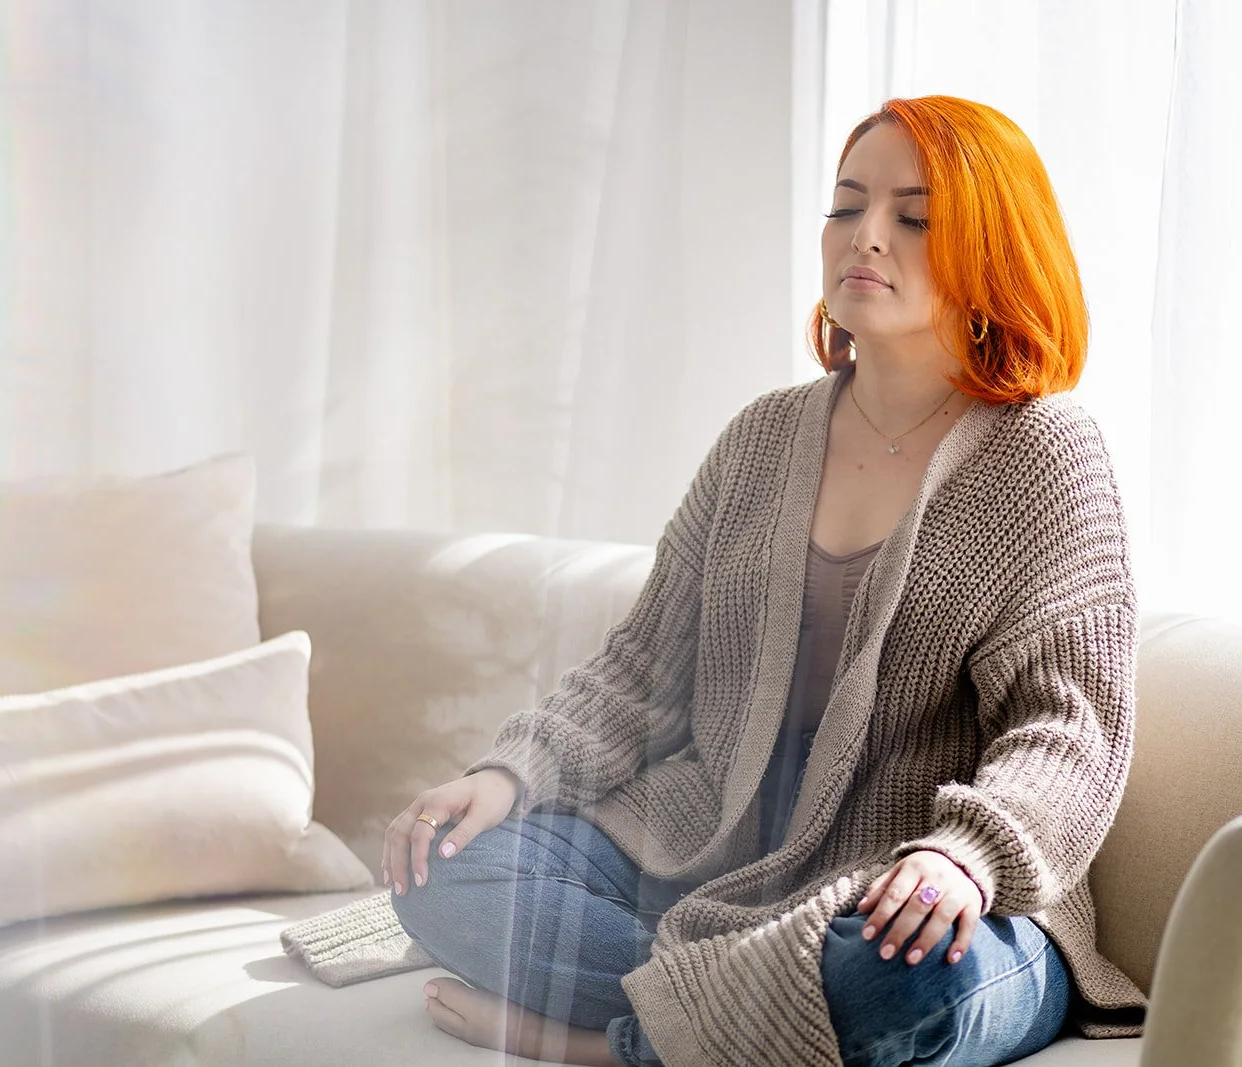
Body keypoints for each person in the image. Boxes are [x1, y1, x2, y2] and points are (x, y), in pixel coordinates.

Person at [333, 96, 1148, 1066]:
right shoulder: (761, 437)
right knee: (442, 867)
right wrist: (509, 774)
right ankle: (734, 1011)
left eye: (914, 217)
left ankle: (617, 1044)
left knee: (908, 980)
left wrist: (962, 854)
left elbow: (1069, 729)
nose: (866, 236)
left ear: (993, 250)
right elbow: (642, 669)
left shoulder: (1045, 452)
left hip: (913, 890)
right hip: (711, 862)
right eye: (846, 205)